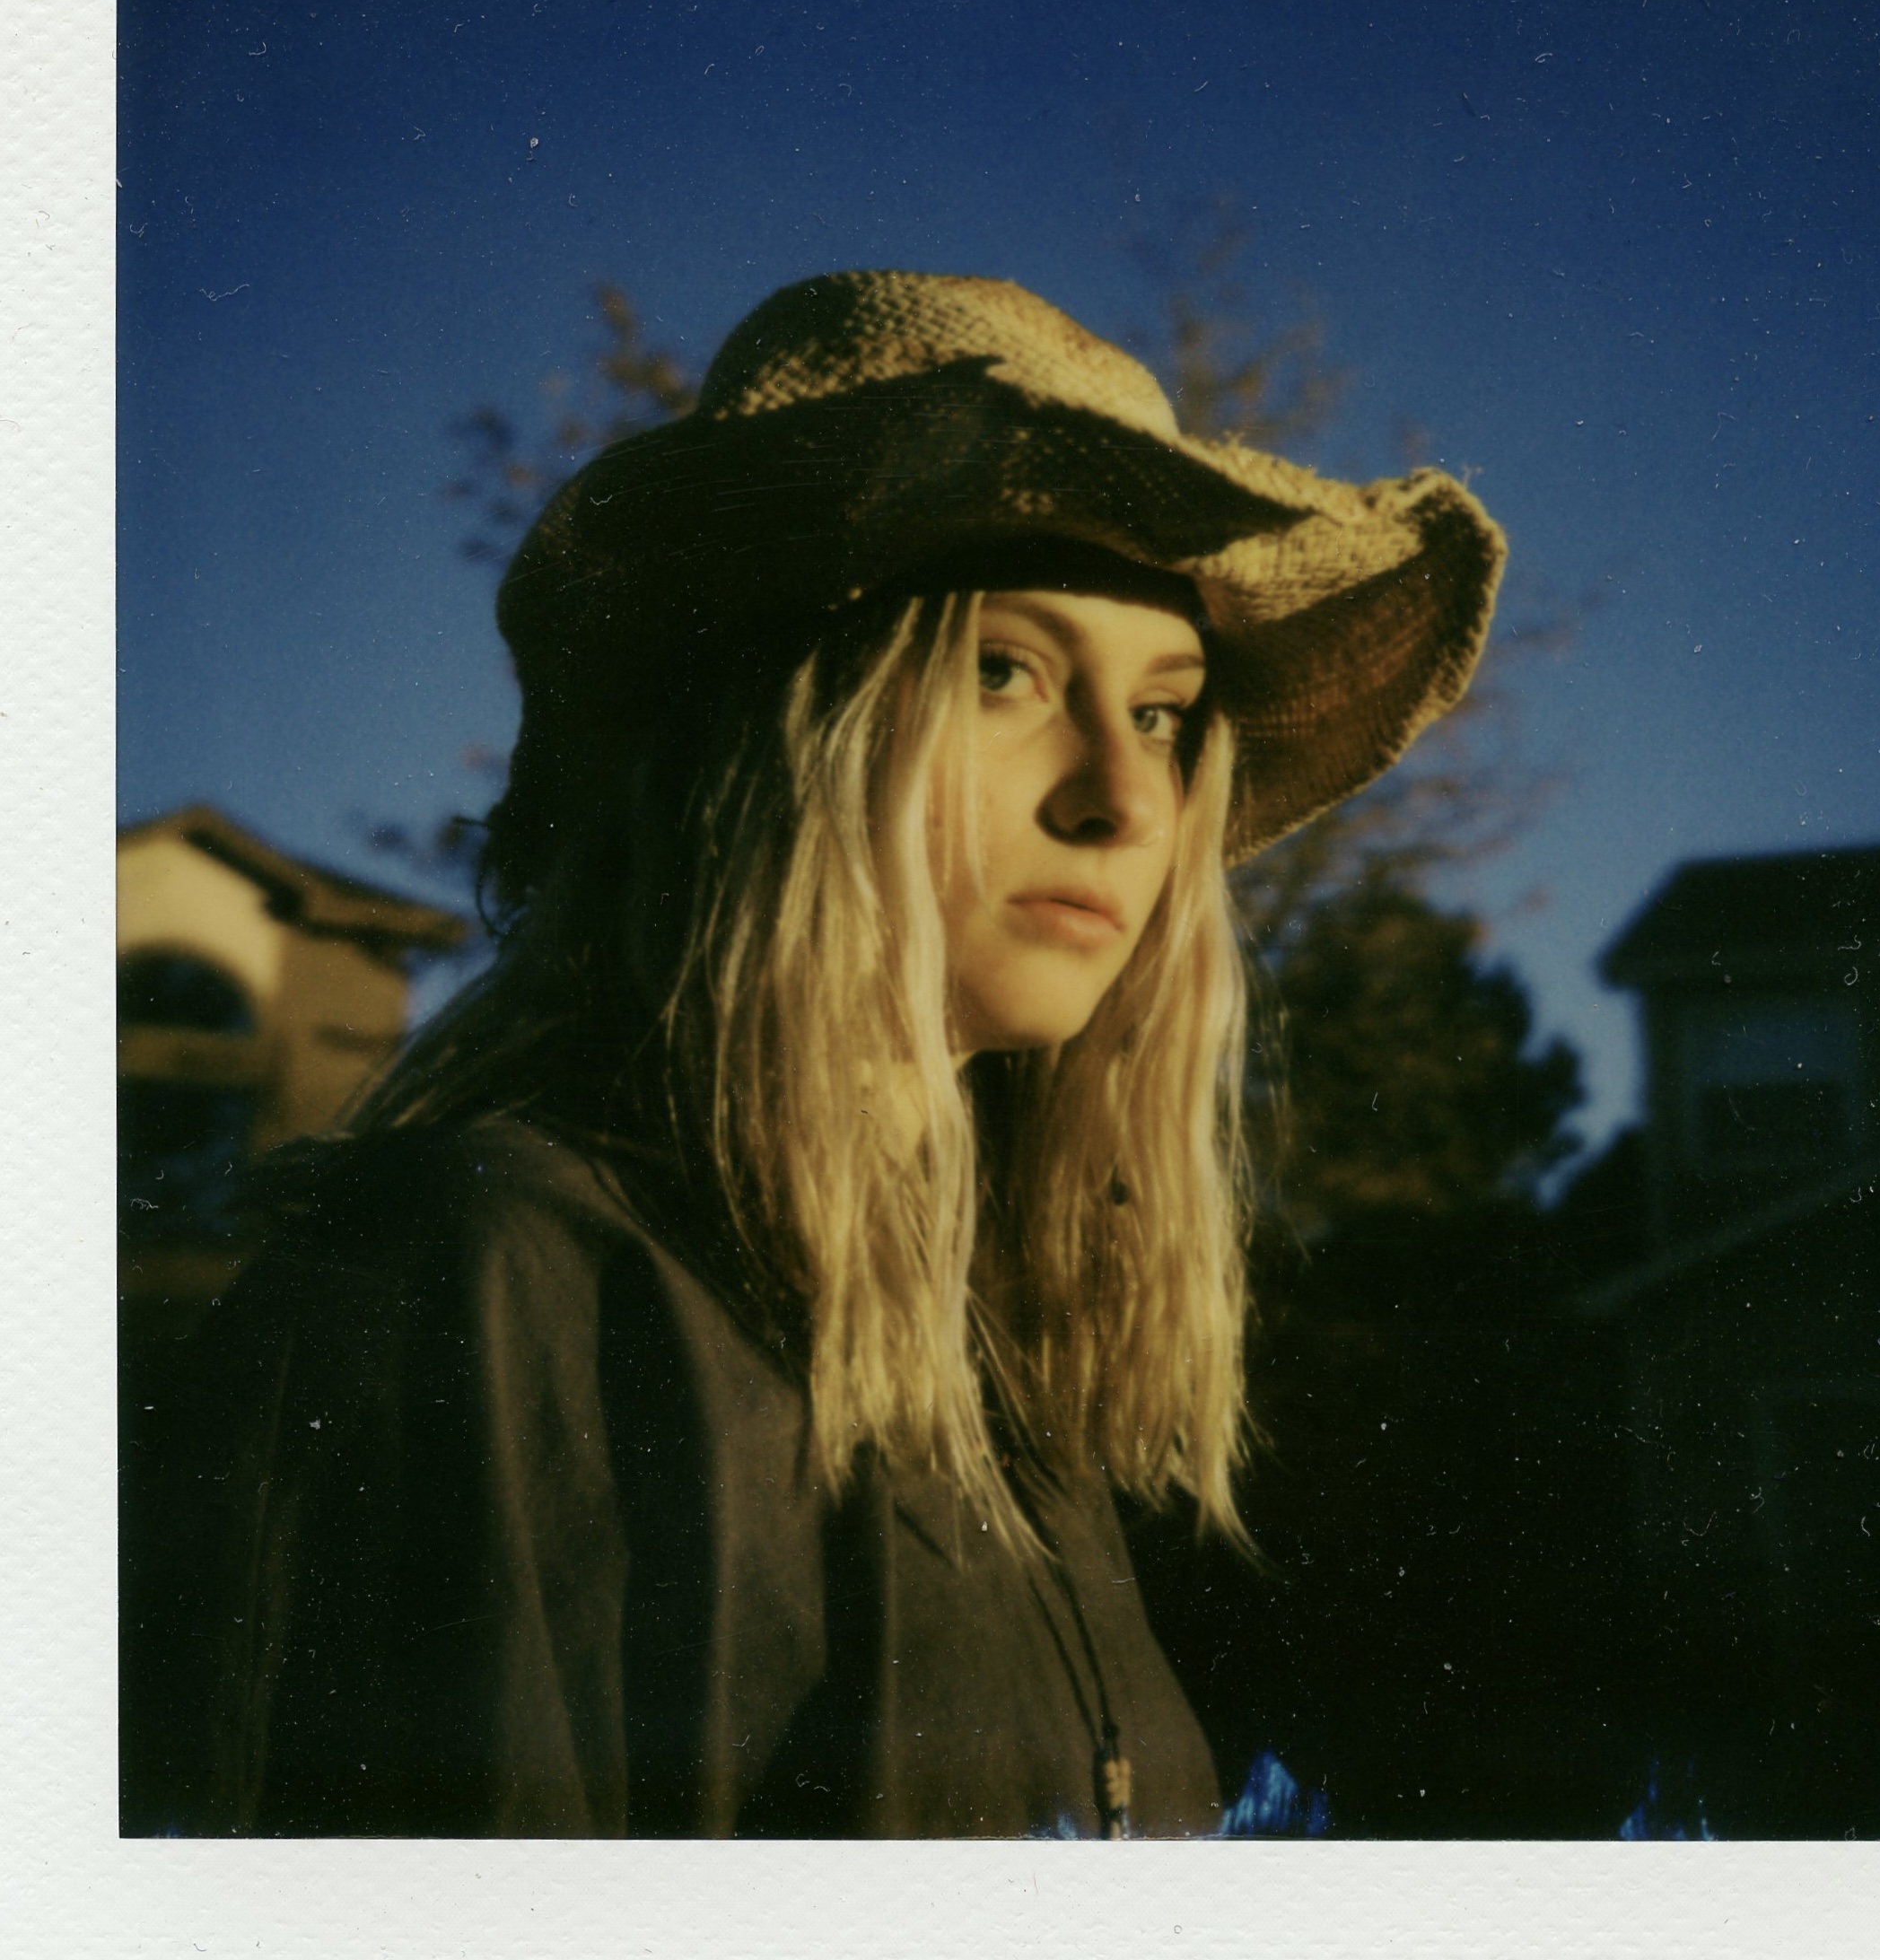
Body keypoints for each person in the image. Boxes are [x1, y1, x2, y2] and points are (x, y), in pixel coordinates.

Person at [119, 270, 1506, 1837]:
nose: (1125, 800)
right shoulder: (484, 1280)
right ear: (778, 729)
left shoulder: (1012, 1370)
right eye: (1004, 670)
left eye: (1164, 714)